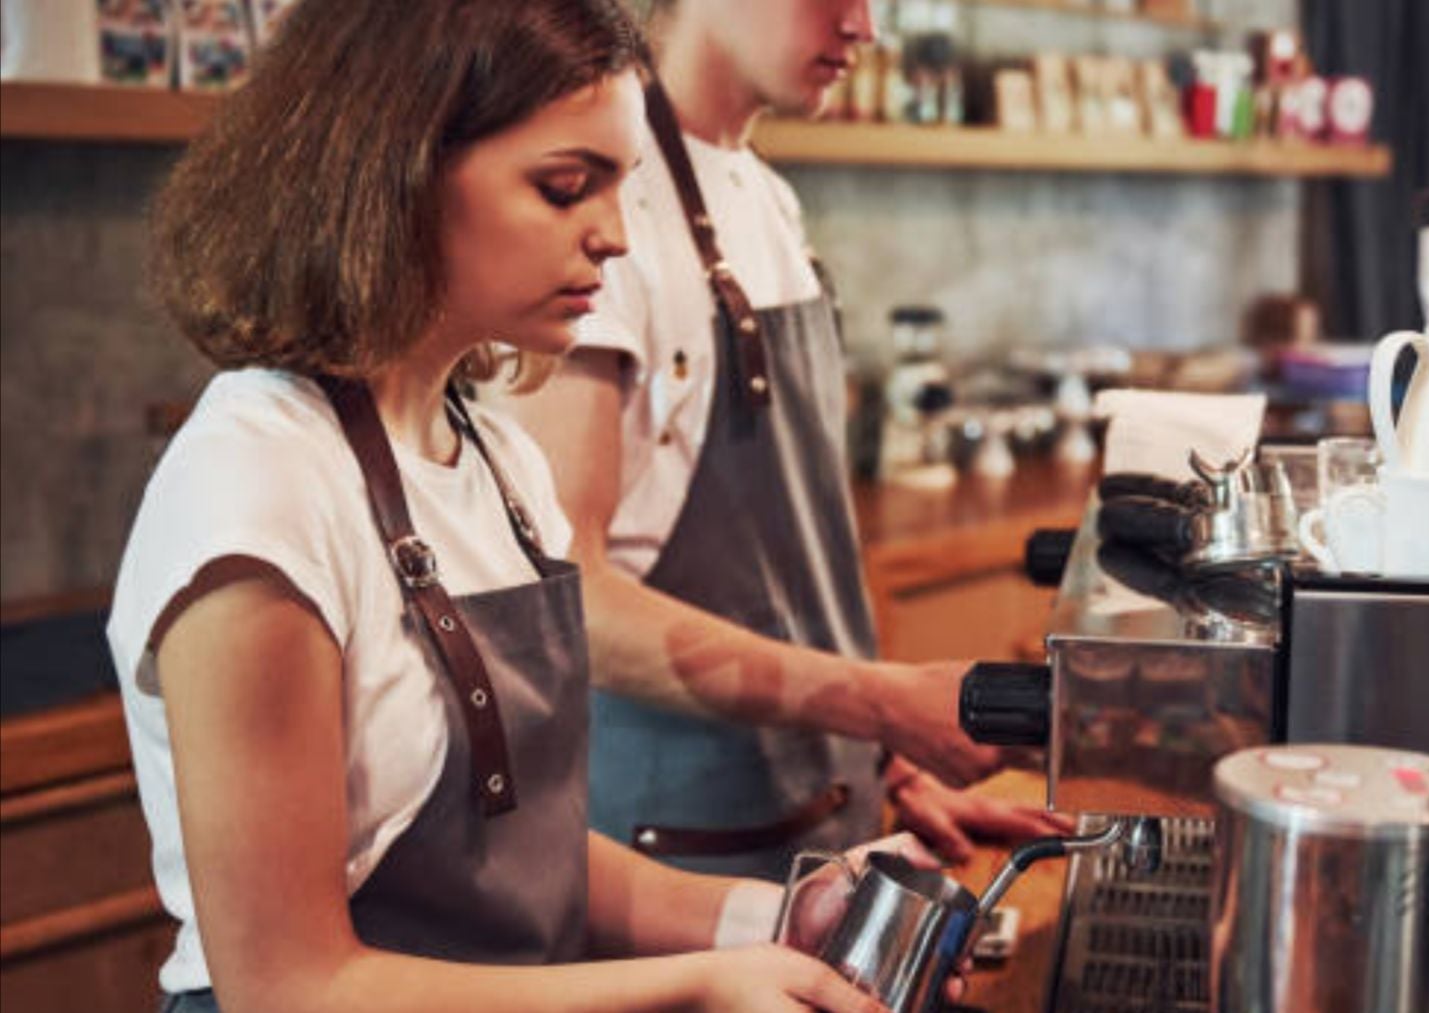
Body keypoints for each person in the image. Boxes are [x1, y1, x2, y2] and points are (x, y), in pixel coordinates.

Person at [110, 1, 936, 1009]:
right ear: (394, 169)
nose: (616, 237)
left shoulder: (495, 456)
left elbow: (526, 868)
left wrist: (776, 919)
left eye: (621, 186)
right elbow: (292, 983)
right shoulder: (257, 488)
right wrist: (696, 987)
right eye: (564, 187)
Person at [503, 0, 1069, 880]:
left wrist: (890, 760)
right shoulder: (605, 216)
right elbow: (570, 600)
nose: (865, 28)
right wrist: (885, 701)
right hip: (679, 854)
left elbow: (790, 564)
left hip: (819, 816)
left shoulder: (765, 198)